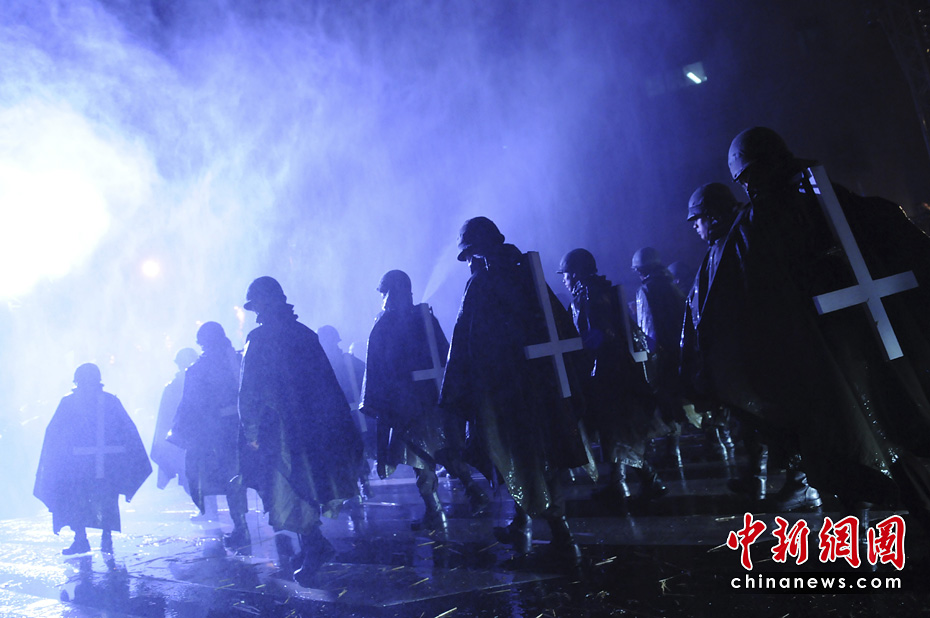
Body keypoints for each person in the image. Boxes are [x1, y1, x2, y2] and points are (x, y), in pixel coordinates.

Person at [724, 126, 930, 527]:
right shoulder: (832, 196)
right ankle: (880, 513)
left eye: (747, 177)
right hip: (864, 338)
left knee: (853, 430)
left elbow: (752, 300)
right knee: (879, 424)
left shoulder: (762, 221)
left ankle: (872, 521)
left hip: (836, 349)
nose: (747, 187)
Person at [440, 217, 594, 567]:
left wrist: (455, 397)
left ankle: (563, 539)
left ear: (478, 252)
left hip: (508, 395)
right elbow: (562, 327)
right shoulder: (528, 274)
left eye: (470, 256)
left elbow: (466, 343)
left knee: (522, 457)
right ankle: (524, 524)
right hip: (543, 389)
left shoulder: (482, 283)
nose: (469, 263)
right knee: (538, 456)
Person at [681, 182, 821, 511]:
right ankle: (762, 479)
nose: (696, 227)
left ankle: (804, 485)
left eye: (698, 219)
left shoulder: (743, 237)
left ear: (713, 216)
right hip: (741, 356)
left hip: (765, 351)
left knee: (783, 418)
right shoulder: (721, 245)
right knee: (754, 421)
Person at [238, 276, 364, 586]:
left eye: (257, 305)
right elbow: (326, 383)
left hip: (279, 431)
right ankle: (312, 545)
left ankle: (314, 547)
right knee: (307, 483)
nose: (256, 312)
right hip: (313, 426)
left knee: (289, 489)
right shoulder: (305, 334)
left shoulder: (259, 339)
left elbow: (250, 390)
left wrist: (251, 431)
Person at [360, 269, 490, 531]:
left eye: (385, 293)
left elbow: (381, 368)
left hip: (410, 405)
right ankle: (466, 495)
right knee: (440, 450)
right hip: (430, 401)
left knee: (422, 456)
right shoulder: (424, 318)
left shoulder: (388, 325)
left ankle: (438, 509)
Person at [557, 248, 665, 511]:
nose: (565, 280)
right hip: (611, 372)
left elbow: (600, 335)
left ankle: (650, 481)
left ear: (576, 273)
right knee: (612, 431)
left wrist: (584, 356)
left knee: (617, 431)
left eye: (566, 274)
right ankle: (619, 484)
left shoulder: (590, 295)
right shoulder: (597, 291)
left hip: (608, 374)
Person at [34, 363, 152, 555]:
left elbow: (54, 436)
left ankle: (83, 539)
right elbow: (127, 431)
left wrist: (57, 462)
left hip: (80, 467)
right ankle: (101, 537)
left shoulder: (70, 403)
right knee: (101, 499)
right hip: (101, 465)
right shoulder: (108, 402)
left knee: (80, 500)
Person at [170, 322, 250, 551]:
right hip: (247, 428)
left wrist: (183, 433)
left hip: (219, 434)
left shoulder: (199, 369)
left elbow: (190, 405)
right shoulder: (240, 360)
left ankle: (242, 528)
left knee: (231, 479)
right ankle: (246, 526)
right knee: (243, 479)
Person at [631, 247, 698, 465]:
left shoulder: (646, 290)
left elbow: (648, 327)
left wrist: (651, 359)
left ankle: (673, 453)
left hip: (662, 356)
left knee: (666, 401)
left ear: (640, 270)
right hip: (680, 352)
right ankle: (678, 450)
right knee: (680, 399)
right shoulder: (672, 285)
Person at [318, 324, 375, 498]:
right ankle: (358, 486)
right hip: (338, 416)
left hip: (351, 415)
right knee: (348, 451)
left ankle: (361, 484)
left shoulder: (342, 362)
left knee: (355, 450)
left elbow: (367, 377)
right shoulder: (321, 366)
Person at [151, 347, 198, 492]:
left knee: (195, 477)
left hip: (190, 439)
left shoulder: (175, 387)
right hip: (183, 439)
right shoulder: (173, 388)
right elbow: (165, 418)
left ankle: (204, 505)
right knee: (191, 477)